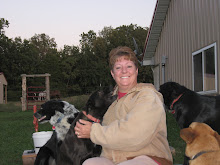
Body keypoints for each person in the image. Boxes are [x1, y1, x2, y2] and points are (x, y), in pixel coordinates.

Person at [74, 46, 173, 165]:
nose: (124, 71)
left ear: (136, 70)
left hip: (150, 157)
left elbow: (135, 134)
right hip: (114, 158)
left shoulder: (147, 96)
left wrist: (93, 132)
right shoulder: (111, 102)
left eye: (129, 66)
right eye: (118, 67)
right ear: (112, 73)